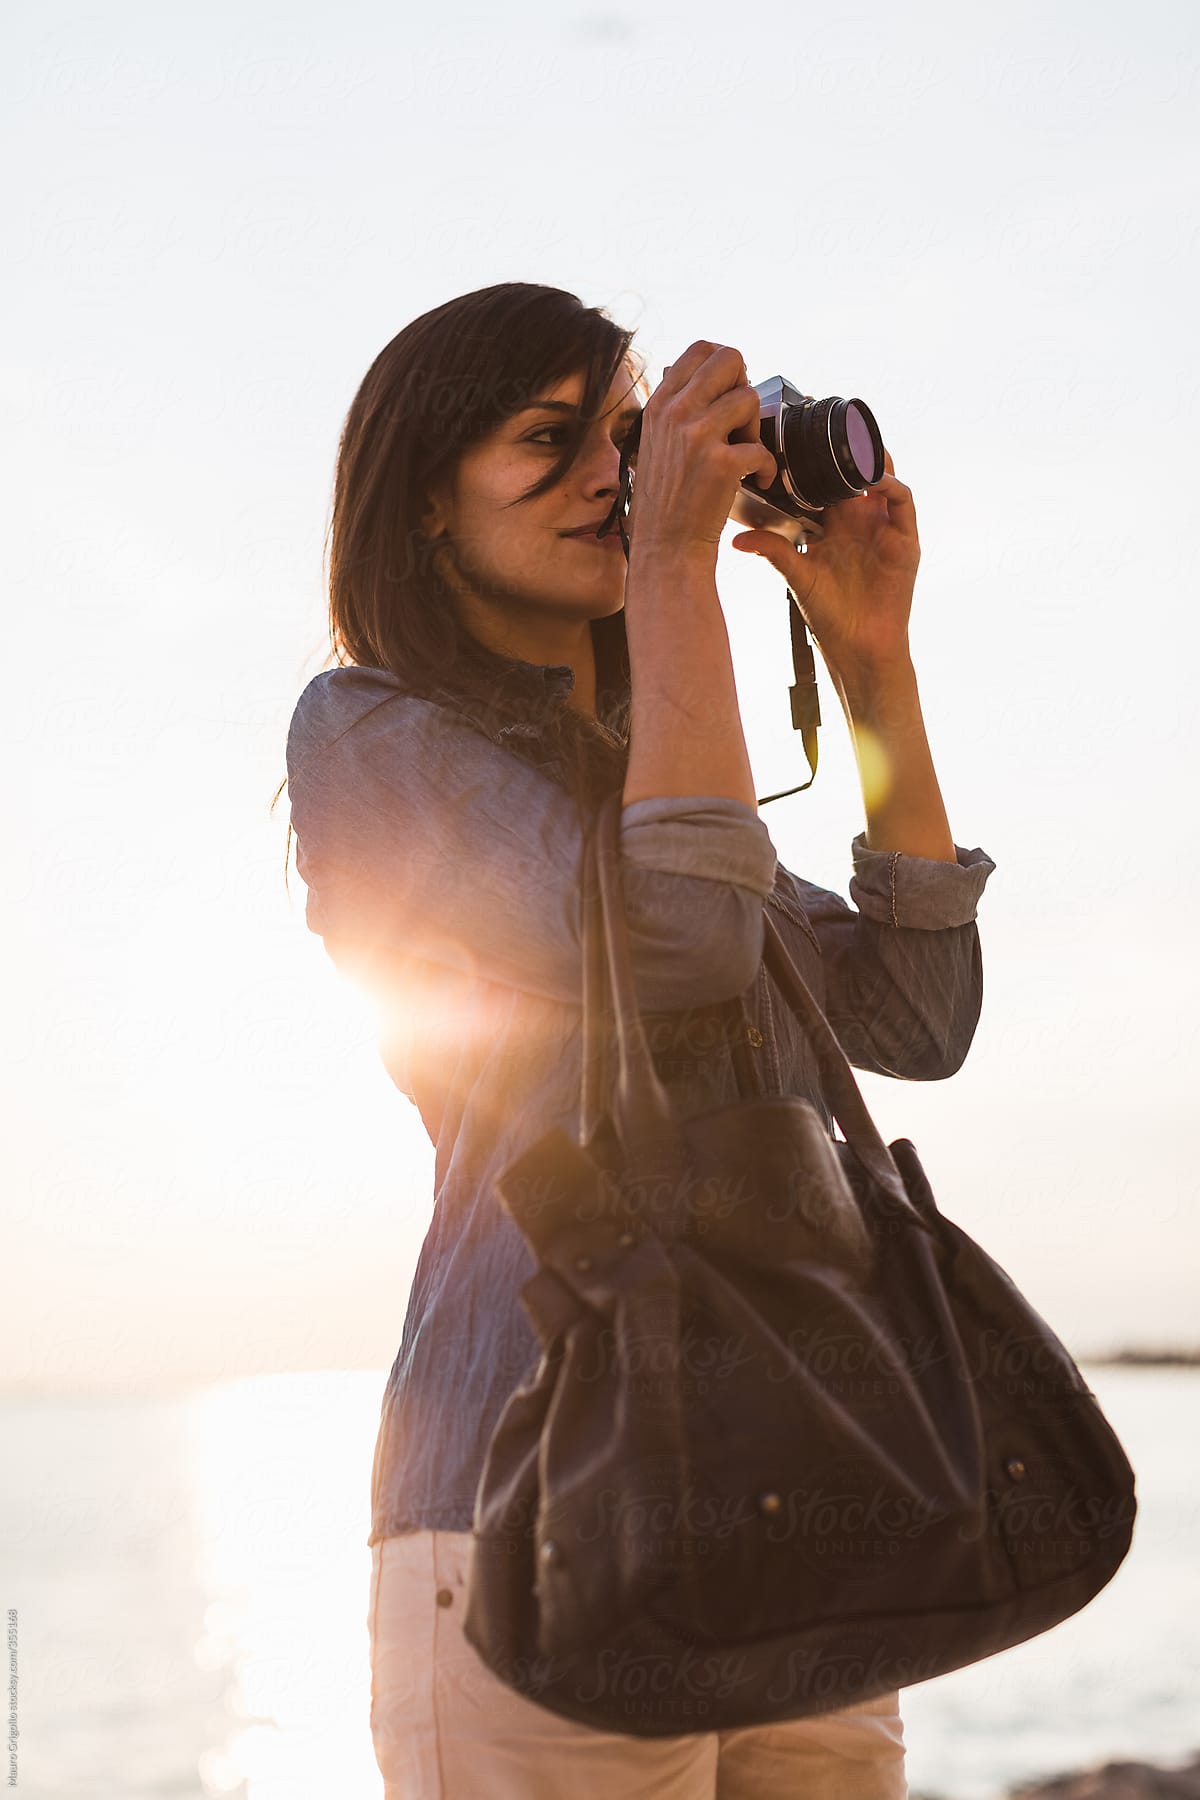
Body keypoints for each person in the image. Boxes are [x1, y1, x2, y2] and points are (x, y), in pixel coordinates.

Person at [282, 282, 997, 1799]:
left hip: (804, 1506)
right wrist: (674, 561)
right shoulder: (369, 736)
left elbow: (917, 1018)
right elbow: (680, 942)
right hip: (527, 1493)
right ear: (422, 502)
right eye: (551, 441)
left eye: (626, 433)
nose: (614, 477)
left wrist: (874, 672)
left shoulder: (661, 779)